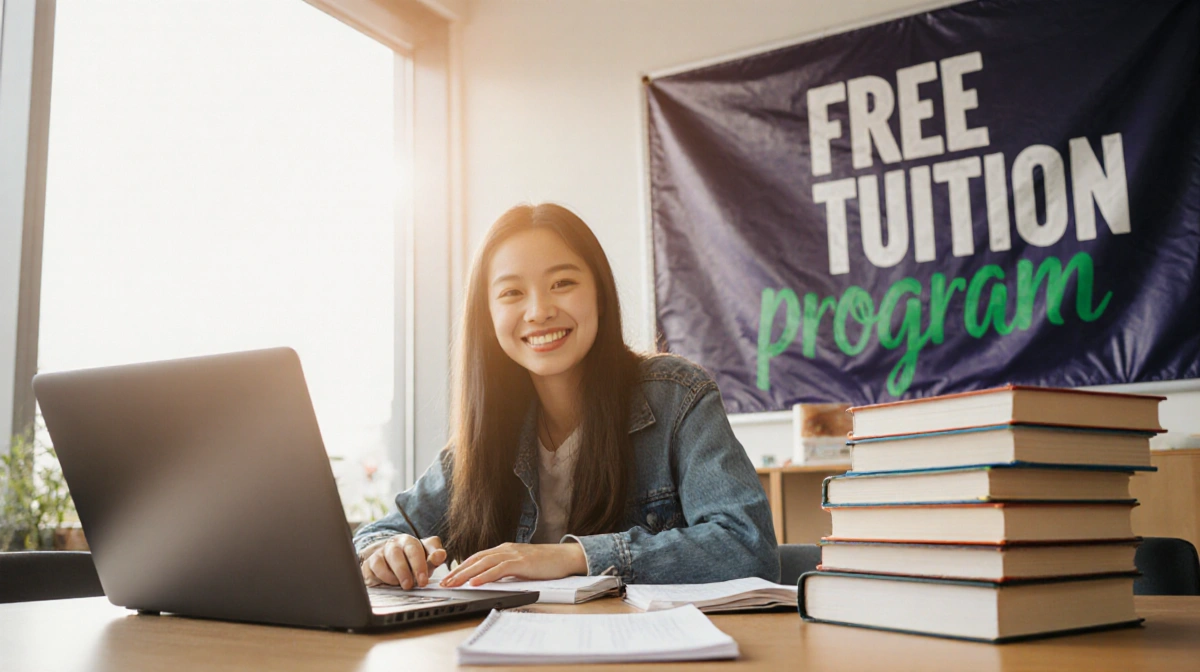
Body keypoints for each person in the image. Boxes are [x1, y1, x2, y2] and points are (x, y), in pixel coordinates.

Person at [353, 203, 778, 589]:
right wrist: (387, 554)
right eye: (511, 292)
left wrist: (572, 557)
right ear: (488, 316)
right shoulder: (485, 435)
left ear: (599, 292)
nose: (538, 310)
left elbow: (746, 545)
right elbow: (376, 537)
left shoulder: (677, 396)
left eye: (562, 282)